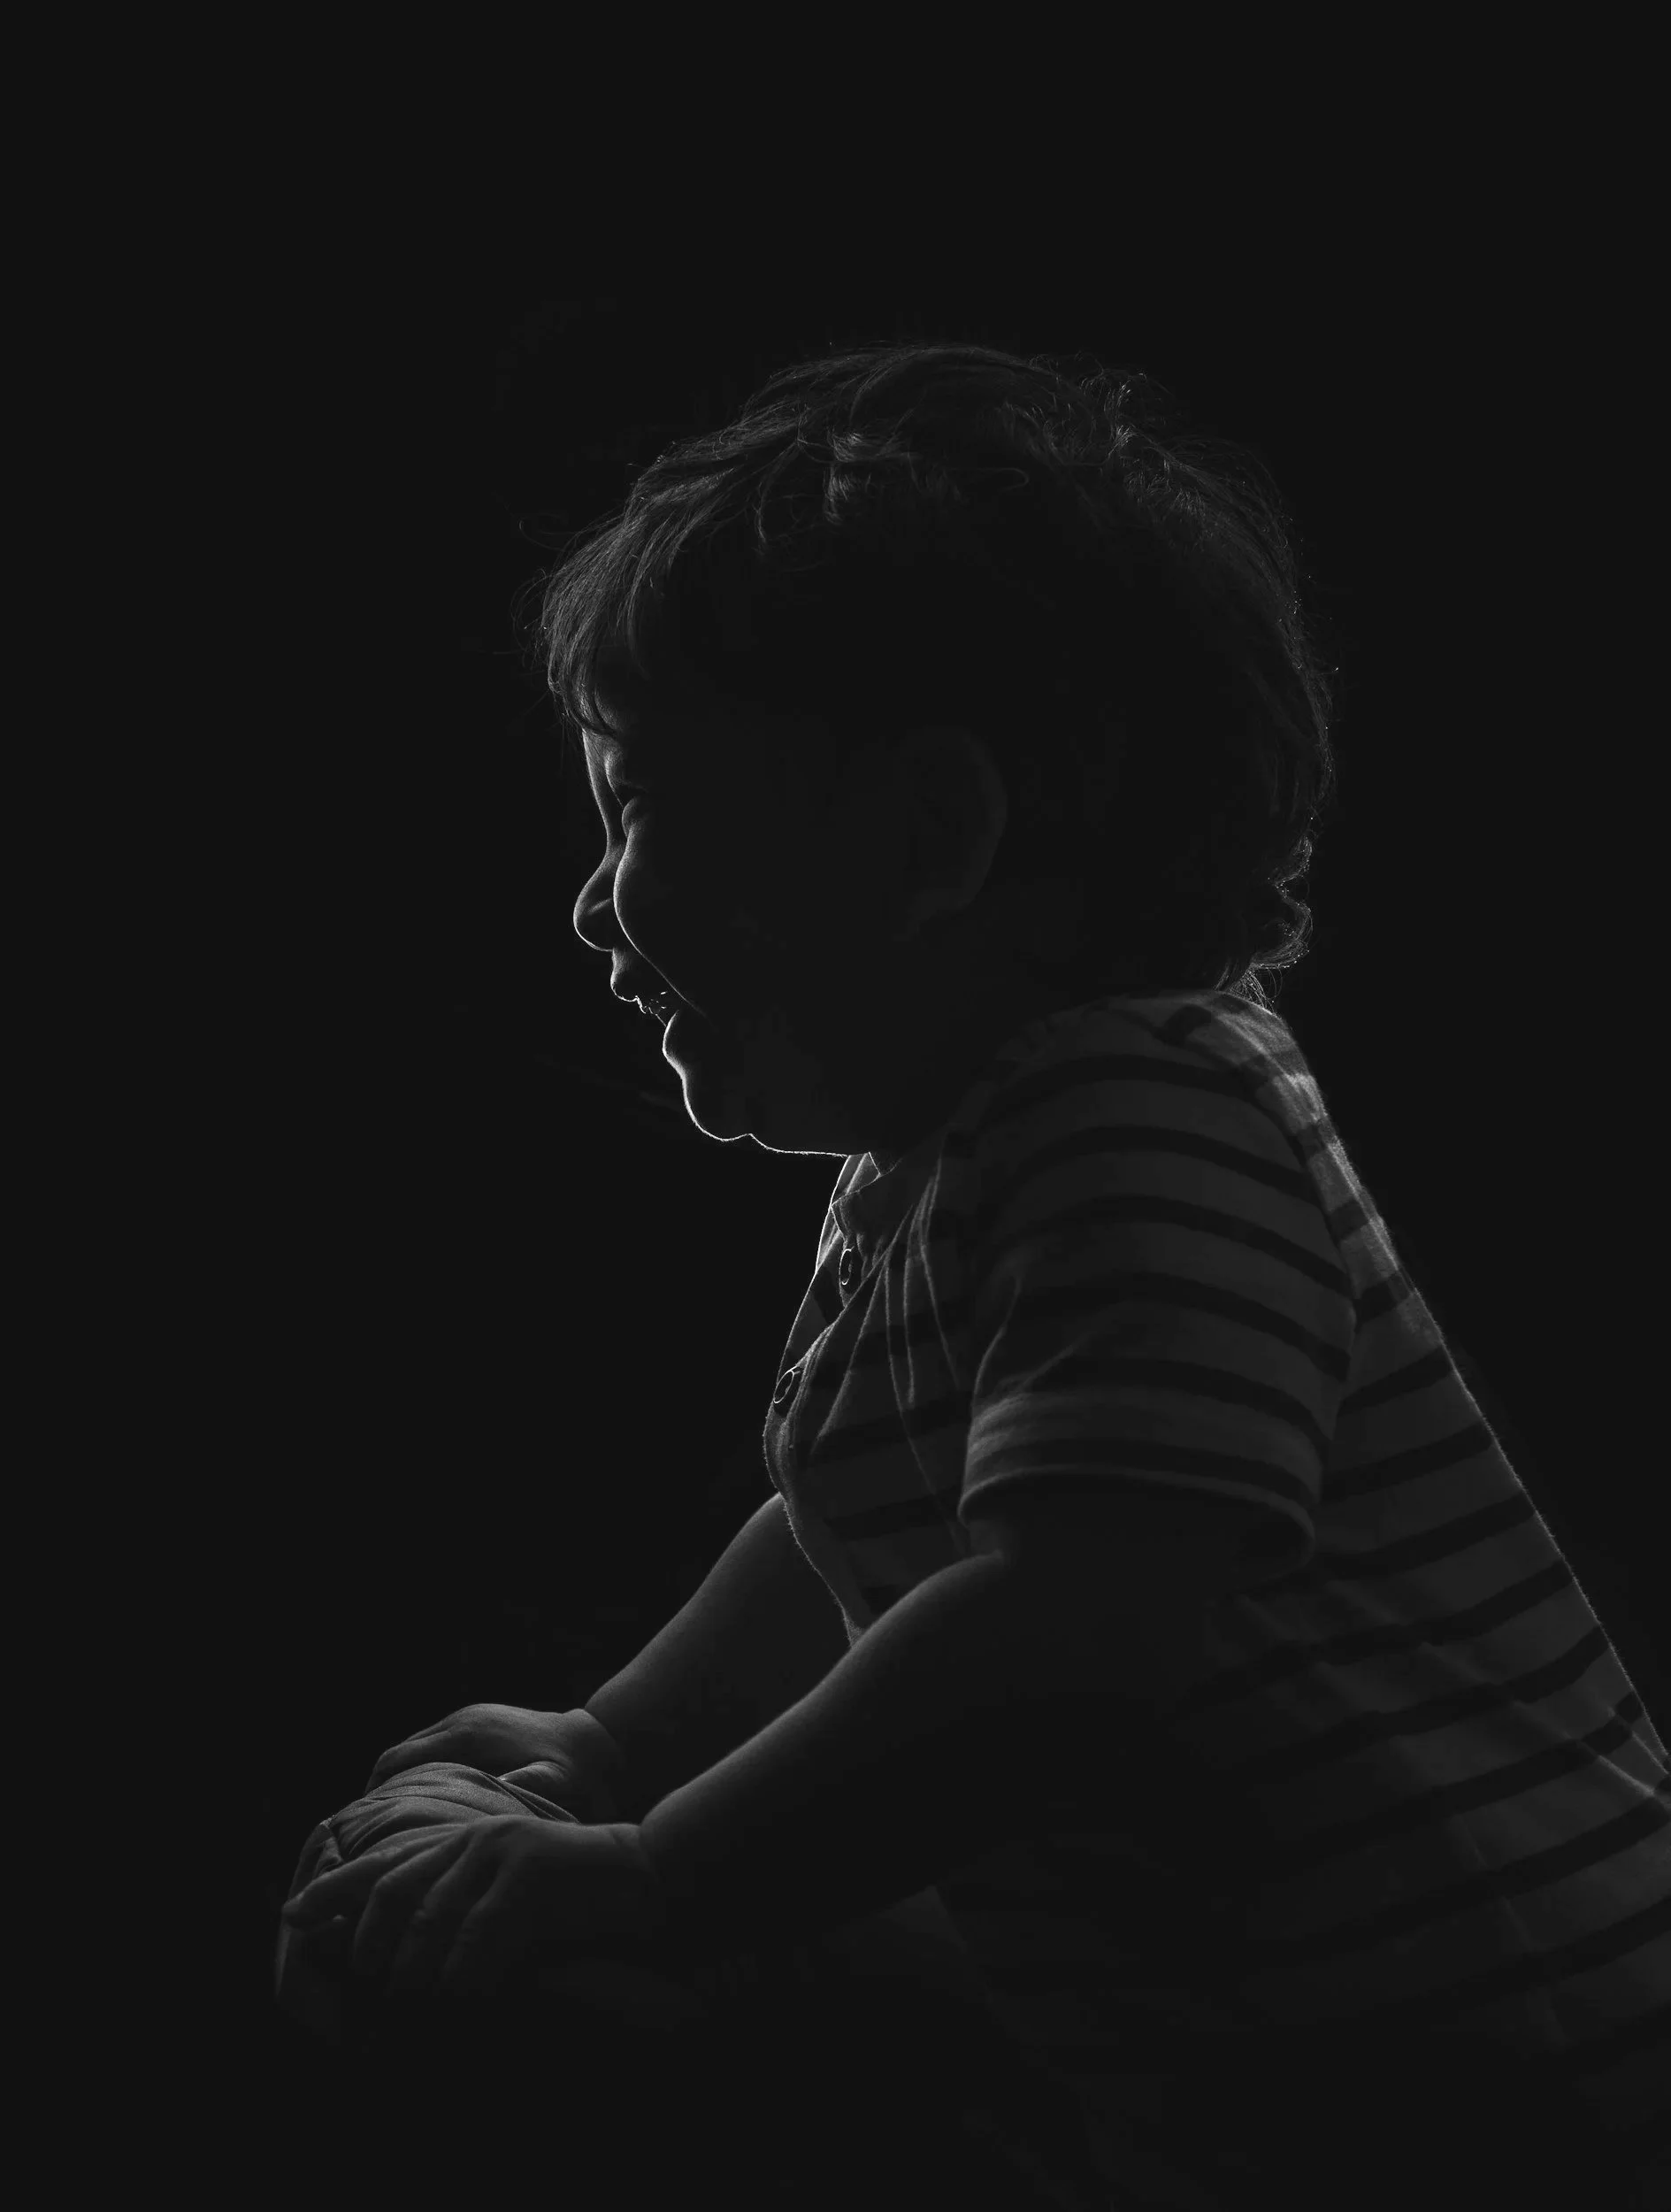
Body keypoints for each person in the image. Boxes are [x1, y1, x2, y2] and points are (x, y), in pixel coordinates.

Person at [276, 339, 1671, 2208]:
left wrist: (656, 1867)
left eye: (637, 805)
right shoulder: (968, 1145)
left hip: (1504, 2078)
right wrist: (613, 1739)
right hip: (1288, 2061)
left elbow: (1066, 1632)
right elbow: (863, 1510)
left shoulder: (1142, 1117)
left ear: (930, 837)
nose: (595, 899)